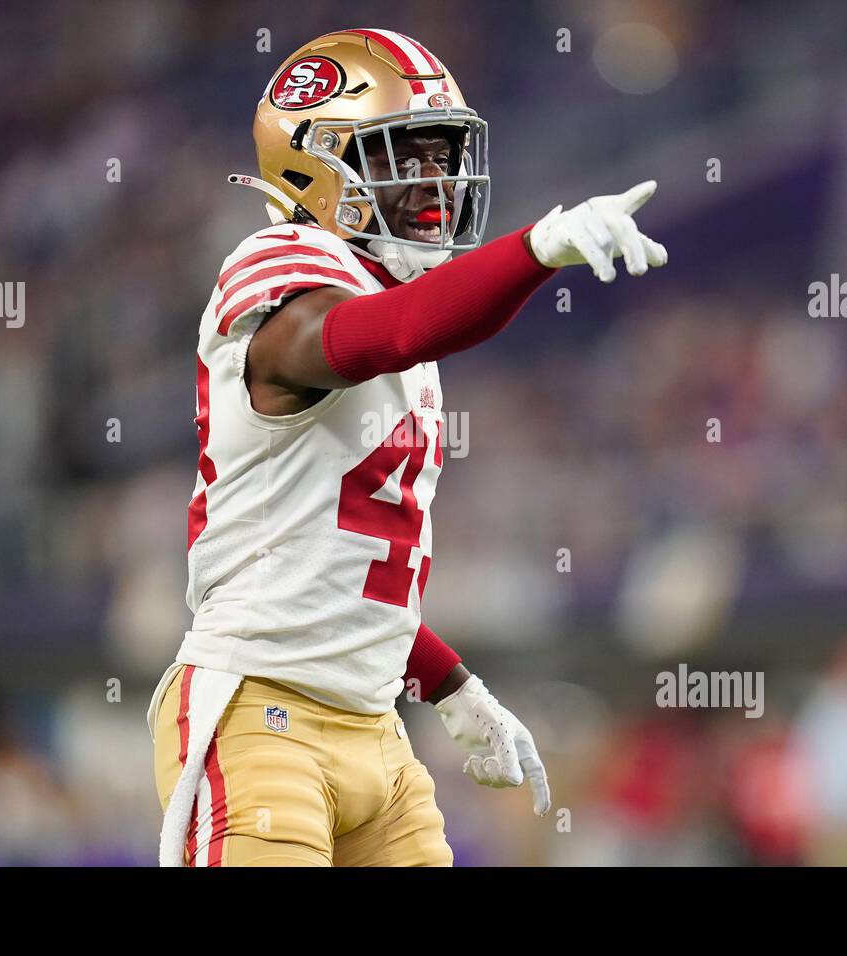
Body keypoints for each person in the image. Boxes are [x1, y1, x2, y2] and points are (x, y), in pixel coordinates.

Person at [148, 27, 667, 866]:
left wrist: (454, 688)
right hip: (259, 712)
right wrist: (537, 250)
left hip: (375, 733)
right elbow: (385, 333)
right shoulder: (281, 269)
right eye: (407, 155)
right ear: (315, 165)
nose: (436, 180)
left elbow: (339, 571)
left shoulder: (395, 311)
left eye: (443, 153)